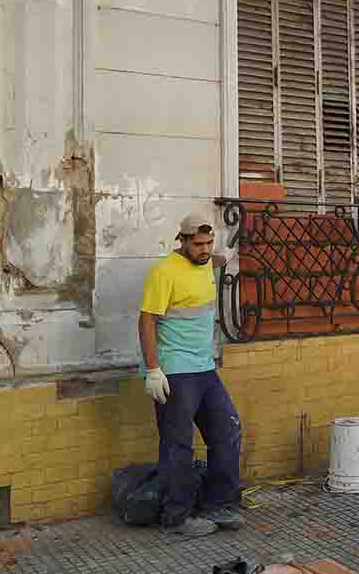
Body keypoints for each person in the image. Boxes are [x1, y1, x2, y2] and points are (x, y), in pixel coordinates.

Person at [139, 215, 243, 537]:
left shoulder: (207, 264)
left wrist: (221, 251)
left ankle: (219, 504)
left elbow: (220, 257)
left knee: (227, 430)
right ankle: (177, 518)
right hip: (175, 371)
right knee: (178, 445)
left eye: (208, 243)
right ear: (181, 241)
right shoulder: (164, 272)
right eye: (197, 244)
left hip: (204, 368)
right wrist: (153, 369)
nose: (204, 249)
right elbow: (146, 321)